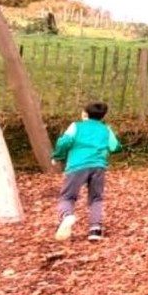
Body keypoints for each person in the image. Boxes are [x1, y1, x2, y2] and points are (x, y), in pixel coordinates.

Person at [51, 101, 122, 241]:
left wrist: (57, 156)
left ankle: (67, 216)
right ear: (103, 116)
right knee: (96, 198)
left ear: (85, 114)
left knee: (67, 196)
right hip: (98, 166)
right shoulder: (106, 129)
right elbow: (115, 147)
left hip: (77, 165)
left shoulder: (75, 126)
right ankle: (95, 230)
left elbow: (64, 142)